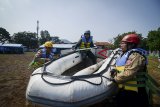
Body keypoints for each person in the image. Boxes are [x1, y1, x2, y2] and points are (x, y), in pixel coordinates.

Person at [110, 34, 149, 107]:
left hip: (135, 93)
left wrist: (115, 79)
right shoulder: (125, 54)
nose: (120, 45)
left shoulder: (136, 56)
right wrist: (115, 69)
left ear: (131, 44)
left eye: (123, 43)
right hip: (125, 89)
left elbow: (129, 73)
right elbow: (122, 66)